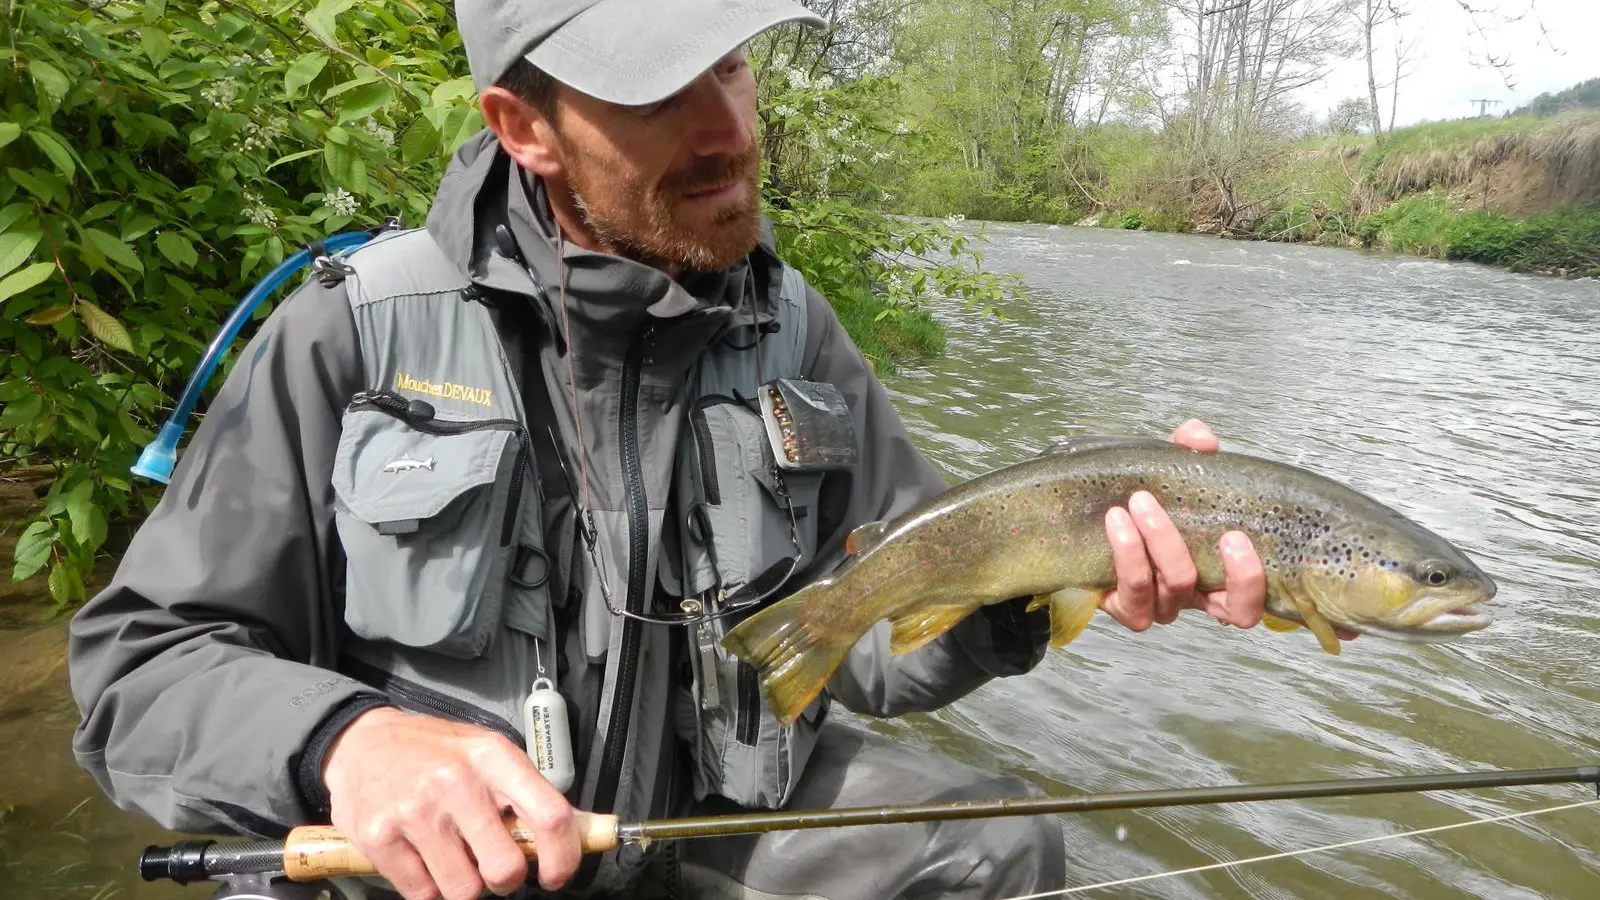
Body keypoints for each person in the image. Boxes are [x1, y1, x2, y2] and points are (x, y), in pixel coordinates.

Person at [66, 2, 1269, 898]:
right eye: (654, 92)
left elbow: (866, 653)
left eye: (733, 63)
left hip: (682, 829)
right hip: (434, 873)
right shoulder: (353, 327)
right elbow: (139, 671)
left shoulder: (794, 330)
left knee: (994, 844)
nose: (727, 129)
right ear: (521, 126)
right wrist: (346, 742)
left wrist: (1039, 582)